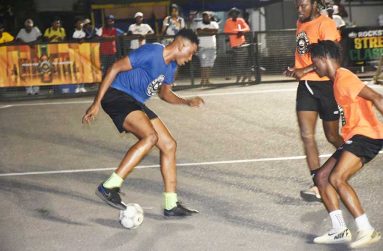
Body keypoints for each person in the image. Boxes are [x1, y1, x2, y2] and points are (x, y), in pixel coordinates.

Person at [82, 29, 204, 216]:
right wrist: (96, 103)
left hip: (135, 102)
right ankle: (109, 186)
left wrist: (186, 102)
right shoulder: (152, 51)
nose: (190, 58)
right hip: (117, 95)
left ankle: (171, 204)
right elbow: (114, 67)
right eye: (191, 52)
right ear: (182, 45)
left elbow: (165, 94)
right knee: (150, 137)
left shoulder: (171, 67)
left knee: (169, 145)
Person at [310, 40, 382, 248]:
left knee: (337, 178)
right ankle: (339, 229)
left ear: (324, 58)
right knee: (322, 178)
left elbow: (377, 97)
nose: (314, 67)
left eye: (315, 62)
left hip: (366, 136)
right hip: (355, 135)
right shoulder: (337, 80)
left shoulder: (344, 78)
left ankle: (367, 230)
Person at [284, 0, 343, 202]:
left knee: (333, 137)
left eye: (304, 6)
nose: (299, 10)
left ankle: (351, 161)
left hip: (326, 86)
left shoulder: (325, 23)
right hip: (306, 87)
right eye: (297, 6)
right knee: (306, 136)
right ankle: (318, 184)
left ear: (315, 5)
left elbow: (330, 55)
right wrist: (295, 68)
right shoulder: (301, 23)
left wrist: (304, 69)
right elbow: (304, 54)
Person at [223, 7, 251, 84]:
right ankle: (243, 76)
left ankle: (243, 77)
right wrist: (237, 32)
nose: (234, 14)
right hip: (234, 45)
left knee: (243, 62)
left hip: (242, 43)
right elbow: (226, 31)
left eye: (236, 13)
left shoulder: (241, 20)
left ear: (238, 14)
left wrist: (241, 31)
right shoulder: (228, 22)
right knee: (238, 62)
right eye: (233, 13)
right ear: (231, 14)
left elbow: (247, 28)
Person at [16, 18, 42, 95]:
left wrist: (32, 43)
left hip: (34, 53)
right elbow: (18, 40)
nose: (29, 28)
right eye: (27, 26)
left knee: (36, 70)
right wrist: (27, 44)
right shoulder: (22, 31)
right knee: (26, 71)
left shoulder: (35, 29)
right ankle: (29, 90)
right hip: (25, 54)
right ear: (25, 26)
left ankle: (36, 89)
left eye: (30, 26)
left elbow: (40, 39)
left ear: (32, 26)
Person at [196, 11, 219, 86]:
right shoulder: (199, 24)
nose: (206, 17)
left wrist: (205, 30)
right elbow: (199, 32)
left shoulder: (214, 23)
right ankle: (202, 80)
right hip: (202, 47)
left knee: (209, 64)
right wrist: (210, 31)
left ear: (210, 17)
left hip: (212, 47)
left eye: (207, 16)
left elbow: (215, 32)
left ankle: (207, 80)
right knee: (203, 64)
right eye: (204, 16)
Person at [72, 18, 87, 93]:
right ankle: (77, 86)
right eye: (78, 23)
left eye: (81, 23)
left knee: (83, 70)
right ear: (75, 25)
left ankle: (82, 86)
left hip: (84, 54)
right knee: (76, 70)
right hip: (75, 54)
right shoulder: (74, 33)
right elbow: (74, 42)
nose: (80, 24)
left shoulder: (85, 32)